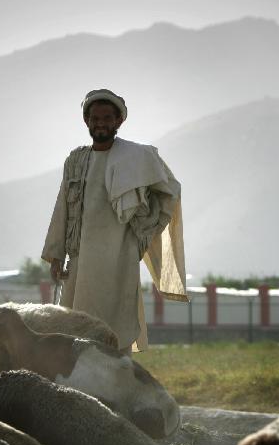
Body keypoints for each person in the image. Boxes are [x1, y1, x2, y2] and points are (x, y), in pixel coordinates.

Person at [42, 89, 188, 353]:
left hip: (118, 259)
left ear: (118, 121)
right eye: (95, 118)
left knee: (115, 331)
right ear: (86, 121)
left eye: (107, 117)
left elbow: (170, 191)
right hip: (79, 259)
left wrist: (145, 227)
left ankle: (117, 384)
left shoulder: (139, 158)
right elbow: (62, 207)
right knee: (75, 329)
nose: (100, 123)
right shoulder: (76, 160)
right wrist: (55, 256)